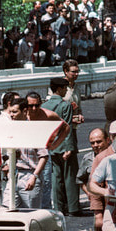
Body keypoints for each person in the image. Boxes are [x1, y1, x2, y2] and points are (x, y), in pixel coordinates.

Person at [44, 77, 80, 215]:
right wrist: (69, 148)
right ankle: (73, 207)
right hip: (64, 145)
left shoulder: (44, 106)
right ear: (59, 89)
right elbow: (67, 127)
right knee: (70, 178)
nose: (66, 91)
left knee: (56, 179)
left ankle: (59, 208)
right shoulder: (65, 105)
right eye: (65, 88)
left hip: (51, 147)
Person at [77, 128, 110, 231]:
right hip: (98, 207)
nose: (95, 145)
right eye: (92, 143)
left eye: (98, 142)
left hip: (114, 205)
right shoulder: (88, 158)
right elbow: (80, 179)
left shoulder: (113, 156)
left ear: (107, 140)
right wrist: (89, 193)